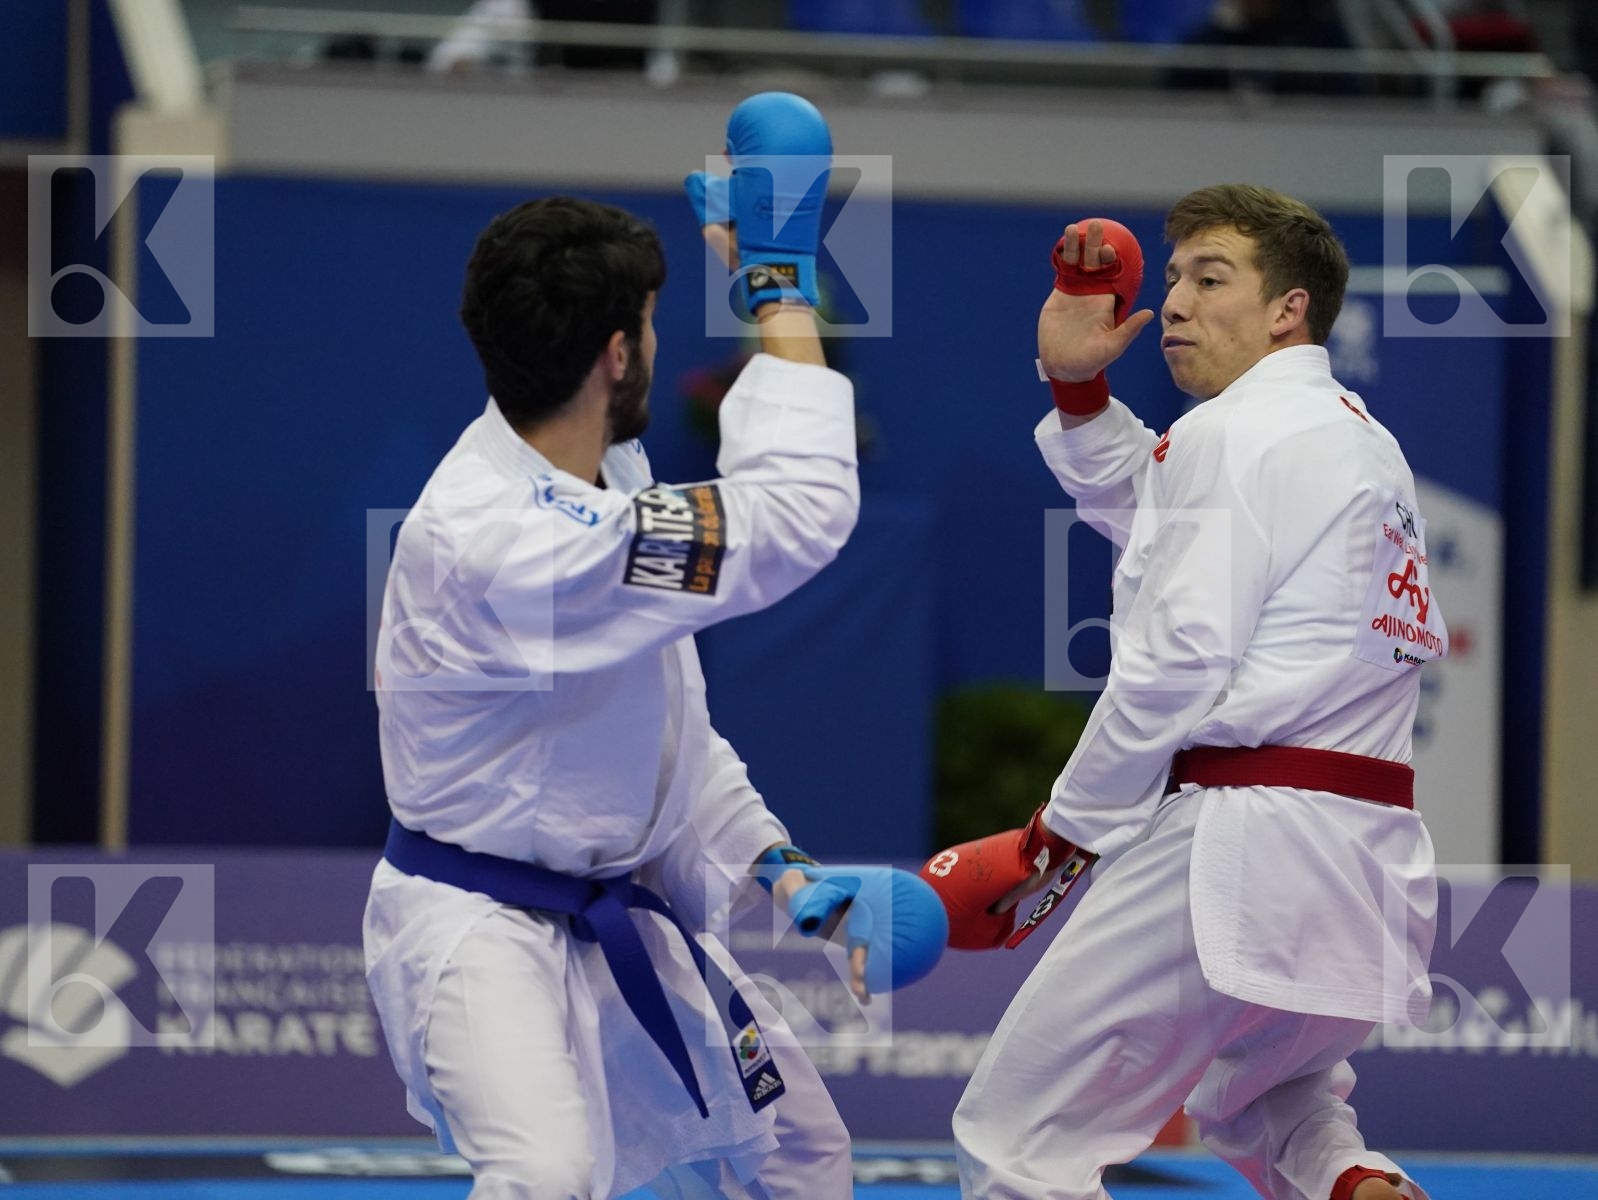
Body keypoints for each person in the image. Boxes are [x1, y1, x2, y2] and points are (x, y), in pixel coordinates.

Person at [363, 93, 944, 1200]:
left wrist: (789, 879)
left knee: (801, 1156)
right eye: (652, 324)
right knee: (543, 1175)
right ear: (620, 355)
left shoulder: (600, 476)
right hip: (480, 931)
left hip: (612, 905)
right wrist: (775, 275)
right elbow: (802, 512)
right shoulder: (508, 541)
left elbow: (665, 735)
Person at [920, 186, 1446, 1200]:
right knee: (1270, 1098)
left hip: (1240, 841)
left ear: (1286, 309)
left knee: (1018, 1137)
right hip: (1368, 862)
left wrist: (1053, 842)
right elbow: (1161, 514)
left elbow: (1175, 658)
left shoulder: (1231, 435)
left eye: (1210, 279)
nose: (1170, 305)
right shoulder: (1355, 442)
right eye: (1168, 281)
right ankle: (1356, 1186)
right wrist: (1077, 391)